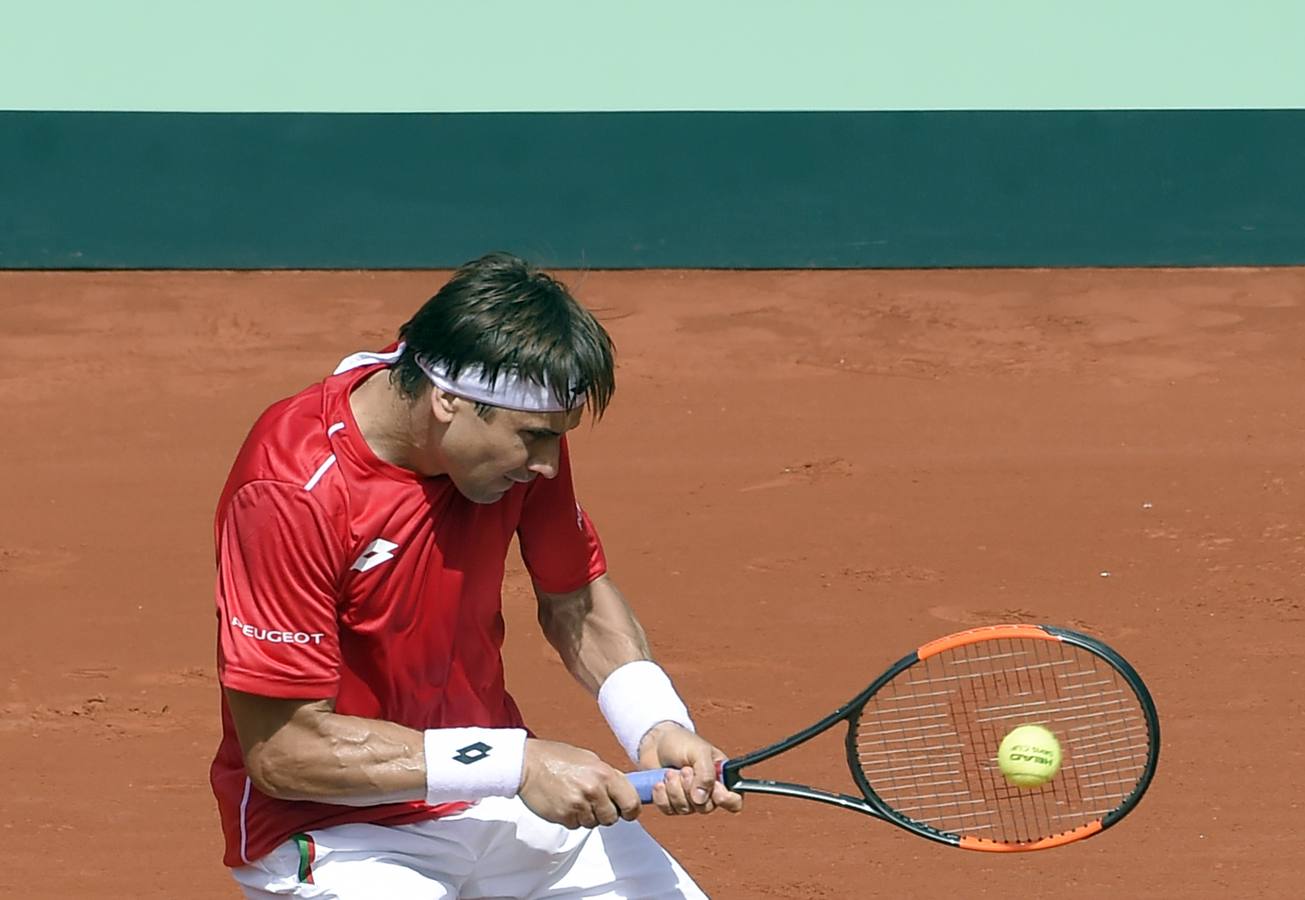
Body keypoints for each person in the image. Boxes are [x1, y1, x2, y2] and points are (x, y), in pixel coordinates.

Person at [209, 252, 742, 899]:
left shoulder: (516, 428)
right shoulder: (292, 489)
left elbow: (573, 597)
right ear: (447, 400)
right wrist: (512, 764)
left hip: (498, 805)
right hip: (341, 835)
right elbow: (283, 750)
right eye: (533, 438)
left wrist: (655, 723)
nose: (547, 465)